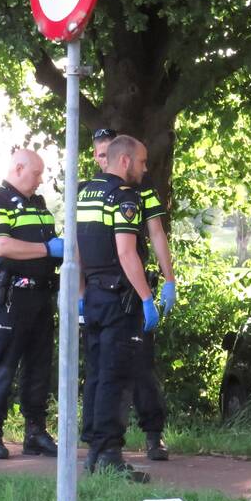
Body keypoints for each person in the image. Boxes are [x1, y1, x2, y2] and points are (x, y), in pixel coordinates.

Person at [78, 134, 172, 475]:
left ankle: (94, 451)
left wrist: (80, 294)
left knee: (97, 374)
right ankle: (110, 456)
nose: (145, 169)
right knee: (115, 377)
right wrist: (147, 298)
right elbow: (126, 252)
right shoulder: (124, 196)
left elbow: (76, 247)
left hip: (94, 295)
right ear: (125, 161)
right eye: (142, 162)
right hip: (120, 298)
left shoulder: (86, 193)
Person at [0, 149, 64, 459]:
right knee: (3, 366)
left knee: (39, 368)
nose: (40, 180)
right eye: (36, 174)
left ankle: (35, 432)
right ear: (18, 168)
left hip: (40, 297)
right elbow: (1, 245)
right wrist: (47, 249)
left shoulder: (38, 205)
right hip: (11, 298)